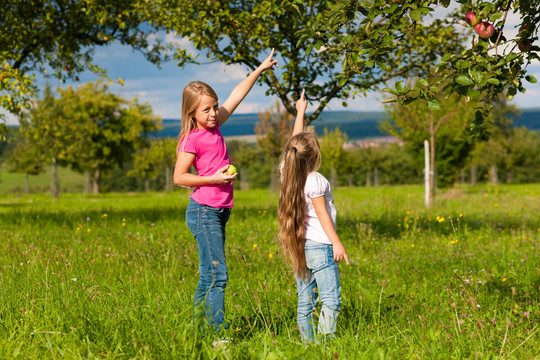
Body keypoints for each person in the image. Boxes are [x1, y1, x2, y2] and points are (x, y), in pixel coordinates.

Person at [174, 49, 278, 333]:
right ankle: (216, 333)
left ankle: (198, 331)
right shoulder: (191, 139)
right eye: (205, 110)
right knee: (217, 275)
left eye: (214, 107)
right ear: (192, 113)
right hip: (203, 210)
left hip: (219, 211)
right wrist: (212, 178)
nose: (212, 113)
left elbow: (237, 95)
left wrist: (259, 69)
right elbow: (179, 177)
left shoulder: (215, 125)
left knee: (210, 275)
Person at [278, 90, 349, 343]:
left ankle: (308, 346)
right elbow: (322, 213)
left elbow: (293, 144)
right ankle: (326, 347)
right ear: (314, 156)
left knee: (304, 302)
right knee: (331, 301)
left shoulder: (288, 172)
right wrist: (337, 242)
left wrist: (300, 112)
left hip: (300, 245)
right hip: (321, 245)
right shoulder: (315, 180)